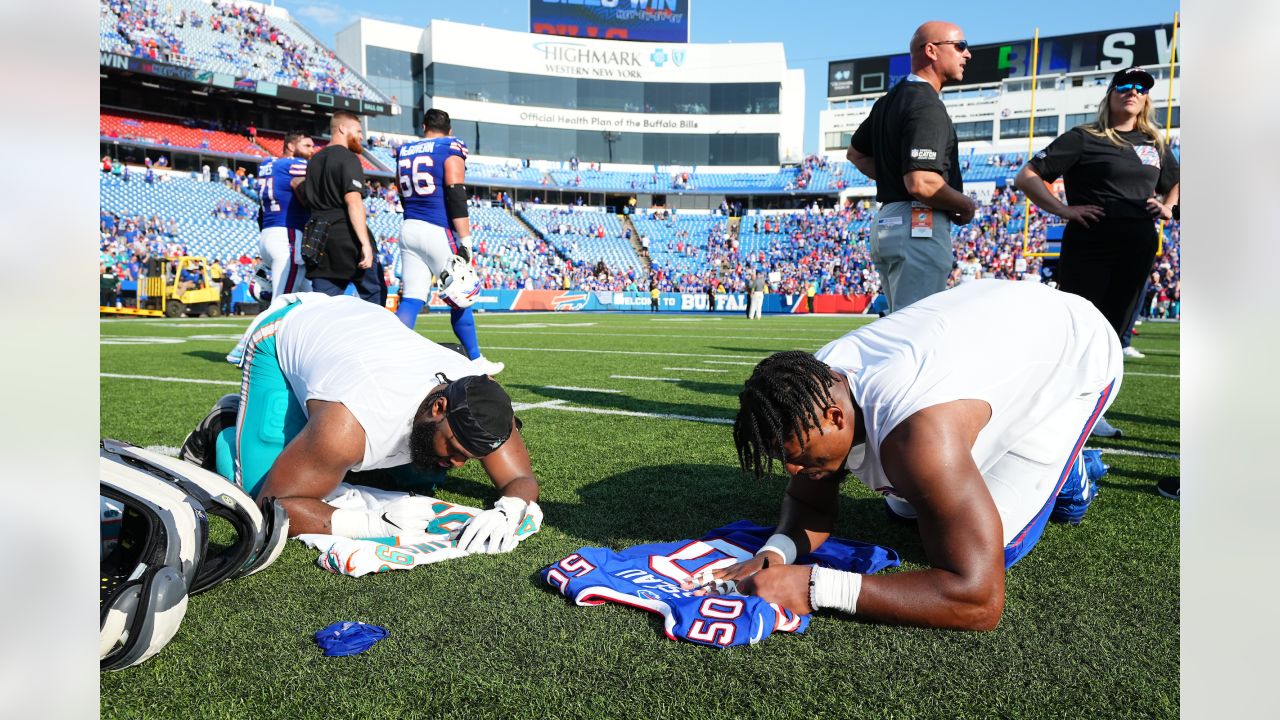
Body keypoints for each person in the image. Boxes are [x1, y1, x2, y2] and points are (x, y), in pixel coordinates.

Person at [712, 280, 1121, 630]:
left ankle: (1073, 472)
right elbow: (807, 502)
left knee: (991, 547)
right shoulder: (817, 388)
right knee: (908, 507)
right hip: (993, 333)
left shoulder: (919, 435)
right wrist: (775, 553)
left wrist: (816, 587)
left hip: (1074, 353)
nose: (792, 469)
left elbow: (977, 599)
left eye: (798, 455)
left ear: (836, 417)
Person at [217, 293, 540, 552]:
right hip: (290, 330)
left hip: (368, 333)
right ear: (439, 407)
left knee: (419, 477)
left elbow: (521, 477)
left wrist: (509, 509)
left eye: (469, 455)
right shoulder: (347, 425)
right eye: (456, 449)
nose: (458, 464)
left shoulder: (480, 404)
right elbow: (273, 506)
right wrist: (371, 525)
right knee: (254, 496)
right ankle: (223, 427)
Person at [1014, 66, 1179, 439]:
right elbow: (1027, 176)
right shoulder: (1083, 137)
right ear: (1111, 93)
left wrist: (1168, 204)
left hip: (1136, 246)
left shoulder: (1154, 142)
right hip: (1089, 246)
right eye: (1124, 85)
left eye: (1141, 87)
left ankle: (1093, 412)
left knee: (1114, 335)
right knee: (1078, 332)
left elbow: (1179, 181)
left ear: (1146, 98)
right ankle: (1055, 411)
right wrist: (1063, 210)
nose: (1133, 91)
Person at [846, 21, 976, 314]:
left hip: (889, 220)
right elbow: (921, 183)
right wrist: (966, 205)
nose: (967, 54)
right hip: (919, 222)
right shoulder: (926, 104)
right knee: (916, 331)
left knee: (900, 324)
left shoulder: (889, 101)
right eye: (960, 46)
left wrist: (895, 176)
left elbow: (856, 153)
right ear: (931, 50)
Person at [393, 108, 503, 375]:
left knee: (412, 298)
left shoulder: (405, 150)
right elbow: (455, 192)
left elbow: (400, 189)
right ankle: (475, 361)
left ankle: (390, 352)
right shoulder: (449, 147)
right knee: (461, 294)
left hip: (408, 227)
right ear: (449, 130)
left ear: (424, 127)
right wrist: (465, 239)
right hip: (436, 228)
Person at [294, 111, 385, 305]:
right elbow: (353, 201)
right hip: (347, 237)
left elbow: (297, 185)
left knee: (324, 306)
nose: (362, 136)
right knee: (375, 298)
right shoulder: (348, 158)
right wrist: (365, 244)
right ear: (342, 129)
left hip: (319, 239)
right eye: (358, 131)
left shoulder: (314, 161)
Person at [255, 132, 315, 308]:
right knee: (280, 305)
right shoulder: (293, 164)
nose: (312, 151)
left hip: (268, 234)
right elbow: (316, 176)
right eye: (307, 146)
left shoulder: (266, 164)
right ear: (290, 146)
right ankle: (266, 335)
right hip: (287, 236)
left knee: (311, 300)